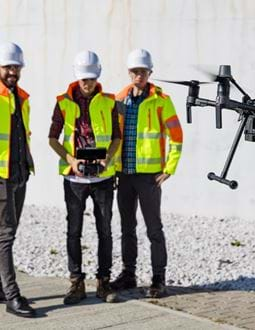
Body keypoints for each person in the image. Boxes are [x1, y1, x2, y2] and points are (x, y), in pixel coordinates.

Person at [49, 50, 121, 304]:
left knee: (105, 231)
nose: (87, 83)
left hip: (103, 178)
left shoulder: (110, 102)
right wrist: (71, 160)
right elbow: (52, 138)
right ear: (77, 77)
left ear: (97, 76)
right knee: (73, 231)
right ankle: (76, 283)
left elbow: (116, 138)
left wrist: (107, 159)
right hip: (74, 180)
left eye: (90, 78)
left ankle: (104, 282)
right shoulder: (63, 102)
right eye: (83, 79)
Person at [110, 49, 183, 298]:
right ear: (129, 73)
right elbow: (112, 137)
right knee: (127, 227)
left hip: (149, 176)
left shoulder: (161, 100)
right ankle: (128, 275)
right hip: (124, 175)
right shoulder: (118, 99)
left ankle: (158, 279)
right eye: (134, 71)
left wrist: (169, 169)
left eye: (143, 71)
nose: (138, 75)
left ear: (150, 73)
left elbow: (176, 136)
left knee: (154, 229)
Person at [0, 42, 36, 317]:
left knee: (7, 234)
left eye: (16, 66)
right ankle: (12, 295)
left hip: (19, 174)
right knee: (5, 236)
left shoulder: (20, 96)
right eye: (7, 67)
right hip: (1, 176)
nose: (13, 71)